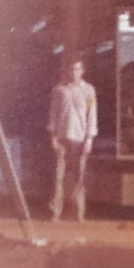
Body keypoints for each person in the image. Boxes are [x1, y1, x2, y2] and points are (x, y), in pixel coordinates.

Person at [47, 59, 97, 222]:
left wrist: (89, 138)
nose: (74, 73)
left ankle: (79, 212)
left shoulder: (89, 91)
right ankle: (56, 212)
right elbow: (53, 113)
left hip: (80, 138)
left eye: (77, 69)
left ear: (82, 71)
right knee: (59, 175)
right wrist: (53, 136)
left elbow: (92, 114)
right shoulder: (59, 90)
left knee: (79, 175)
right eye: (71, 69)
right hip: (62, 137)